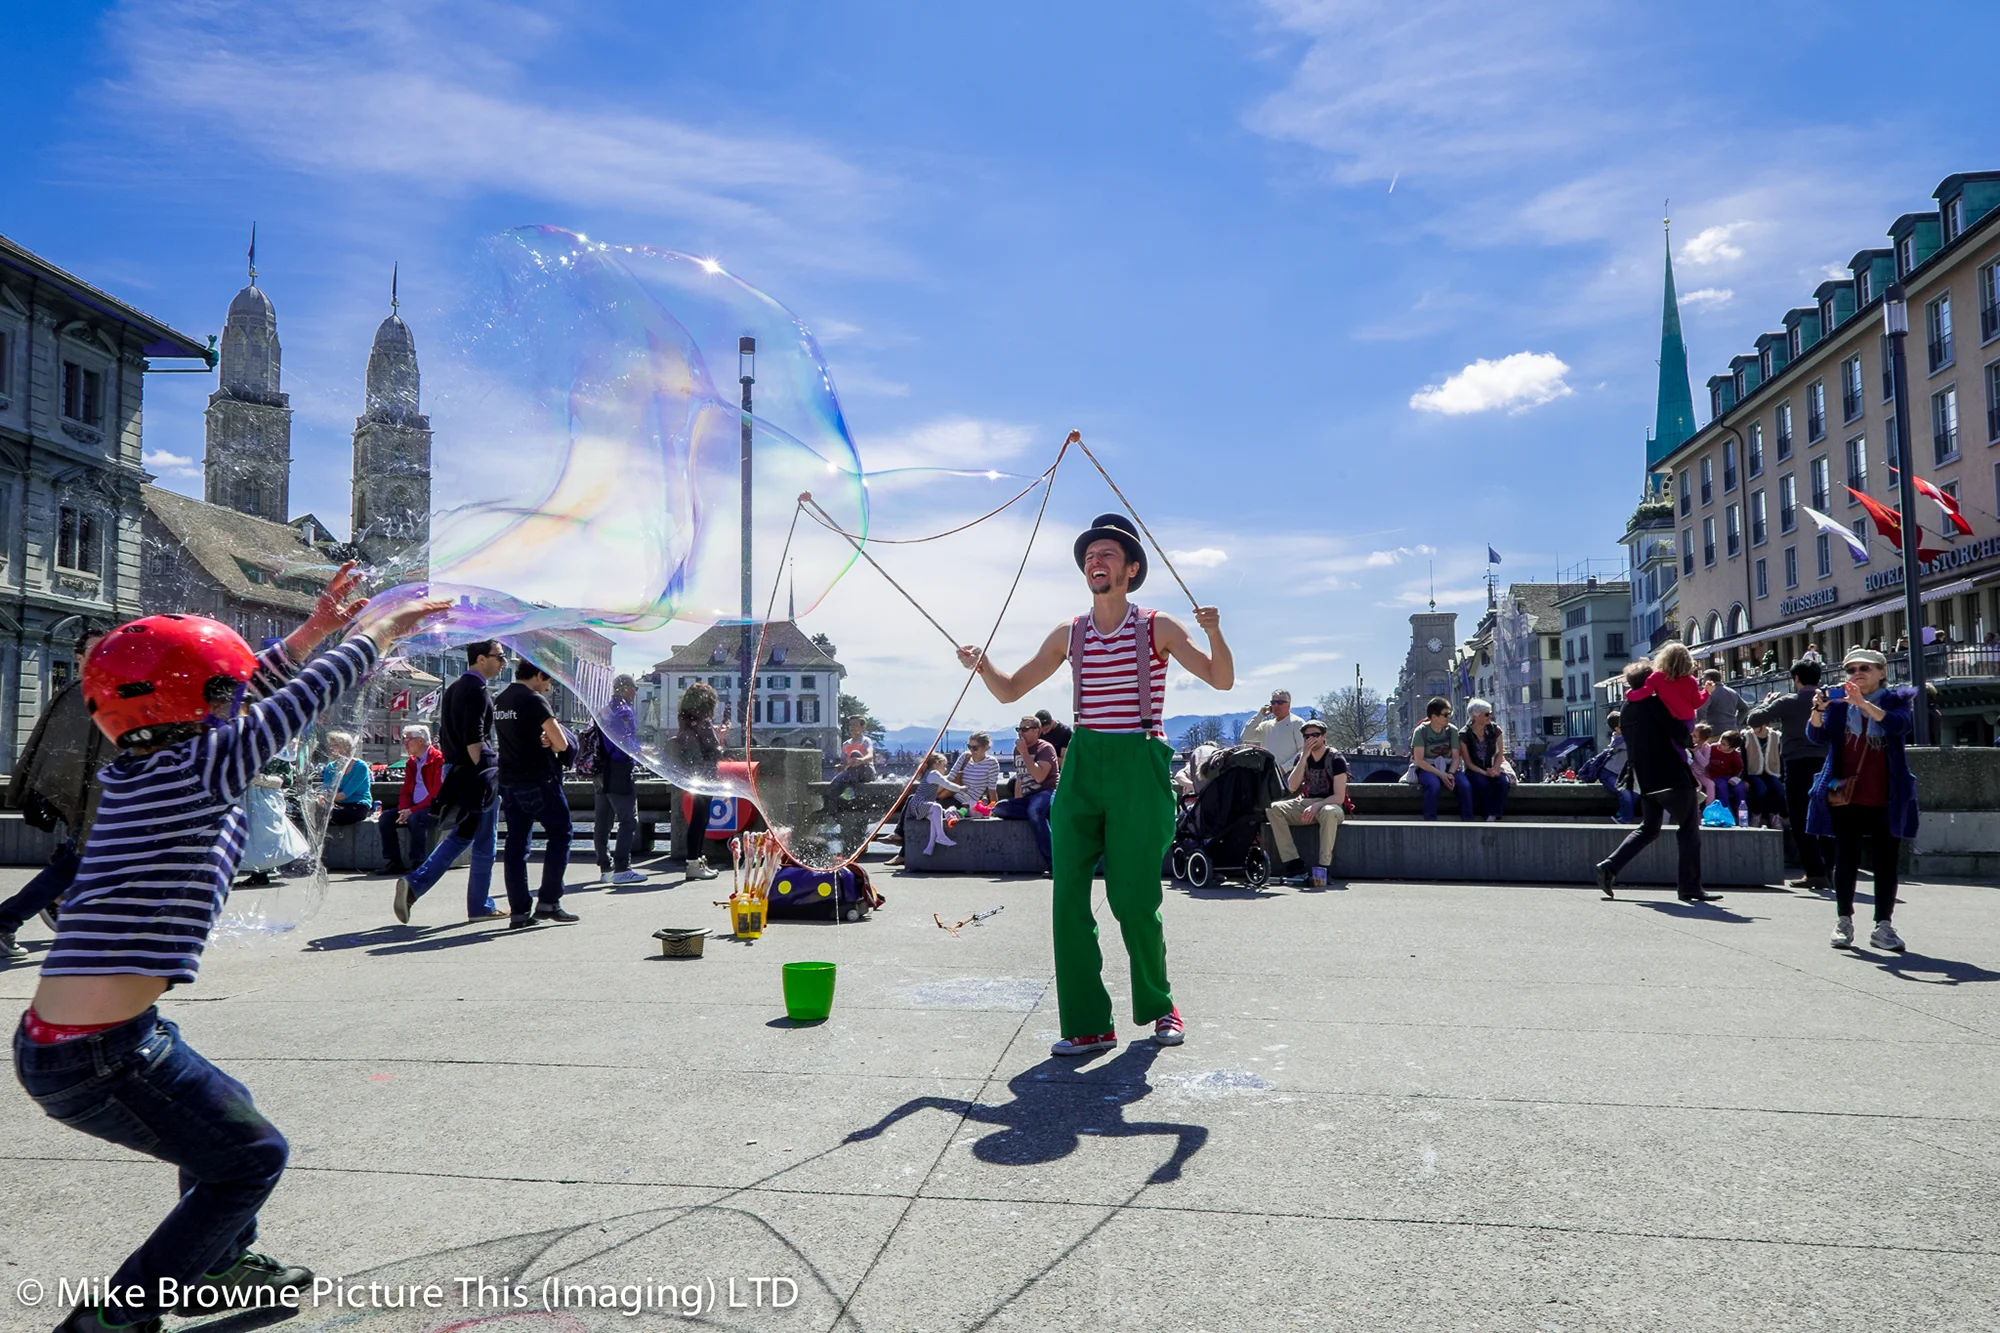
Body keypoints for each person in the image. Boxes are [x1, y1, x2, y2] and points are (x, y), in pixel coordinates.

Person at [18, 572, 445, 1333]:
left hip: (88, 1040)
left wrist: (311, 630)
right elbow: (292, 704)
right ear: (201, 710)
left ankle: (216, 1262)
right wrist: (377, 634)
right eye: (222, 699)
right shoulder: (200, 768)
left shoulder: (141, 768)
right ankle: (114, 1319)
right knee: (250, 1158)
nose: (233, 709)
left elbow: (241, 693)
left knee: (228, 1121)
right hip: (98, 1056)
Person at [956, 510, 1233, 1057]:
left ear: (1131, 569)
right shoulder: (1071, 632)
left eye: (1106, 554)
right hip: (1083, 761)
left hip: (1138, 760)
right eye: (1088, 556)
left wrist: (1214, 631)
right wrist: (984, 665)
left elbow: (1221, 680)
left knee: (1134, 899)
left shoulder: (1156, 625)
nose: (1094, 562)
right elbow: (1011, 691)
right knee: (1067, 900)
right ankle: (1088, 1023)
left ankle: (1160, 1005)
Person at [0, 625, 109, 963]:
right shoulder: (79, 693)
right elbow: (63, 756)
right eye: (94, 650)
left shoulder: (108, 690)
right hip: (90, 802)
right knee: (72, 864)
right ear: (79, 657)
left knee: (72, 862)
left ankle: (63, 904)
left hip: (99, 801)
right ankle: (9, 918)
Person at [1806, 648, 1919, 952]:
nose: (1856, 673)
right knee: (1845, 858)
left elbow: (1898, 726)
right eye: (1851, 669)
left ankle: (1883, 925)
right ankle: (1844, 920)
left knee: (1886, 862)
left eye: (1864, 668)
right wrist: (1818, 710)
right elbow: (1817, 738)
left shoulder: (1897, 699)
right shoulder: (1841, 707)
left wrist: (1863, 704)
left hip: (1888, 794)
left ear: (1882, 672)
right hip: (1846, 793)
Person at [394, 640, 509, 924]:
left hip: (454, 769)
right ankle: (477, 905)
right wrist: (489, 774)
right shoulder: (478, 690)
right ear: (481, 659)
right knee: (484, 841)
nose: (504, 662)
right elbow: (474, 739)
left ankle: (416, 886)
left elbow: (449, 734)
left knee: (464, 835)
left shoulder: (455, 687)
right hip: (474, 773)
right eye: (500, 657)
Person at [1593, 657, 1722, 903]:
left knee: (1650, 828)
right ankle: (1690, 887)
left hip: (1644, 777)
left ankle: (1610, 866)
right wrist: (1688, 738)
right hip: (1670, 774)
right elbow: (1678, 732)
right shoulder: (1655, 704)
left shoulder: (1627, 707)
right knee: (1689, 830)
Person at [493, 659, 577, 928]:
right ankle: (549, 901)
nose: (550, 685)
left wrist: (542, 736)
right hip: (538, 779)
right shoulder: (533, 699)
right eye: (549, 679)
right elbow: (562, 744)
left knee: (516, 845)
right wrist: (551, 738)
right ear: (538, 675)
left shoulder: (501, 699)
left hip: (508, 780)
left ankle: (518, 911)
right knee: (561, 834)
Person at [1747, 660, 1834, 889]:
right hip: (1827, 762)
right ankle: (1832, 869)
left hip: (1797, 764)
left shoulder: (1788, 702)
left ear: (1796, 679)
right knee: (1826, 814)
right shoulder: (1830, 699)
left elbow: (1753, 720)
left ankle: (1815, 872)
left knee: (1799, 817)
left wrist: (1766, 704)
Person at [1266, 717, 1346, 886]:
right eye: (1306, 736)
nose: (1310, 739)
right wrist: (1303, 758)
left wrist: (1317, 805)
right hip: (1306, 802)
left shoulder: (1336, 759)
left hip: (1330, 805)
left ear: (1323, 737)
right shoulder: (1302, 758)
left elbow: (1339, 796)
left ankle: (1324, 867)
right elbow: (1292, 786)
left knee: (1329, 812)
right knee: (1273, 808)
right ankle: (1293, 862)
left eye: (1314, 735)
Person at [593, 674, 649, 886]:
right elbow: (624, 743)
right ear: (625, 688)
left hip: (600, 772)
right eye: (634, 688)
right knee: (628, 820)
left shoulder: (603, 710)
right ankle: (622, 868)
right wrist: (640, 752)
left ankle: (604, 868)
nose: (635, 692)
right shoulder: (624, 710)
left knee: (602, 821)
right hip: (618, 770)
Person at [992, 714, 1060, 869]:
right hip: (1028, 797)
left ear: (1037, 731)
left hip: (1047, 792)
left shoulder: (1045, 749)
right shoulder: (1017, 750)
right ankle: (1042, 815)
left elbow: (1039, 776)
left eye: (1025, 729)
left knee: (1035, 810)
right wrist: (1017, 800)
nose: (1021, 733)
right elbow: (1020, 778)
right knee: (999, 808)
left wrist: (1025, 754)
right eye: (1019, 729)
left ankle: (1054, 863)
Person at [674, 682, 726, 880]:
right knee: (700, 819)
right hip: (705, 774)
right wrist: (720, 739)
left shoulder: (687, 719)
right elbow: (714, 750)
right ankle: (694, 863)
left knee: (698, 818)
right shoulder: (702, 722)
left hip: (693, 773)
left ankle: (695, 861)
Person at [379, 724, 442, 875]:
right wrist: (403, 809)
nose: (405, 743)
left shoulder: (438, 759)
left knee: (416, 819)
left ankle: (418, 862)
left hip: (435, 806)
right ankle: (394, 861)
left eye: (409, 740)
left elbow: (436, 793)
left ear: (421, 741)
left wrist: (411, 811)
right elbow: (406, 790)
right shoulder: (412, 762)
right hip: (414, 806)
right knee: (386, 818)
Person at [1623, 642, 1706, 722]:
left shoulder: (1656, 677)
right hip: (1688, 721)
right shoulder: (1690, 680)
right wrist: (1706, 692)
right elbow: (1696, 703)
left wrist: (1628, 693)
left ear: (1663, 659)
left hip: (1669, 721)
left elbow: (1643, 693)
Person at [1455, 700, 1509, 822]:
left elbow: (1500, 753)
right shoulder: (1464, 734)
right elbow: (1468, 762)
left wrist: (1495, 769)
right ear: (1475, 716)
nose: (1490, 717)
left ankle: (1495, 814)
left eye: (1490, 713)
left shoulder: (1495, 730)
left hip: (1492, 767)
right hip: (1474, 770)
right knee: (1482, 783)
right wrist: (1485, 773)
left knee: (1503, 782)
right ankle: (1487, 814)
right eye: (1486, 714)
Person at [1409, 697, 1458, 820]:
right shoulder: (1421, 731)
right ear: (1434, 716)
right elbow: (1419, 760)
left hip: (1448, 766)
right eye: (1446, 714)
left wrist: (1450, 773)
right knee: (1433, 785)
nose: (1449, 717)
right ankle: (1430, 821)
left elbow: (1456, 757)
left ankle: (1468, 820)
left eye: (1449, 714)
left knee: (1465, 785)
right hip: (1426, 767)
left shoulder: (1452, 730)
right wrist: (1441, 774)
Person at [316, 731, 375, 827]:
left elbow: (344, 794)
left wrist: (326, 798)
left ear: (346, 747)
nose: (331, 748)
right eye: (330, 745)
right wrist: (321, 796)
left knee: (330, 816)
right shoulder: (330, 767)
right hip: (336, 804)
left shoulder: (360, 767)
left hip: (357, 805)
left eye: (335, 745)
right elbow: (326, 788)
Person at [1241, 690, 1305, 774]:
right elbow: (1245, 736)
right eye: (1273, 702)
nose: (1276, 705)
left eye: (1280, 702)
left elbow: (1303, 751)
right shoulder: (1266, 726)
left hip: (1290, 775)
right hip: (1268, 774)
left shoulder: (1297, 723)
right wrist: (1260, 715)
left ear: (1288, 705)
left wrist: (1284, 769)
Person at [1593, 711, 1638, 824]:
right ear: (1617, 729)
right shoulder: (1619, 740)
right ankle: (1626, 820)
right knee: (1624, 793)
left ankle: (1619, 814)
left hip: (1623, 775)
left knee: (1637, 794)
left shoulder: (1629, 737)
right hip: (1609, 773)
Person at [1741, 723, 1783, 829]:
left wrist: (1782, 776)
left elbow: (1781, 757)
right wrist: (1744, 778)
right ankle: (1756, 815)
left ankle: (1774, 815)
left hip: (1771, 770)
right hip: (1753, 772)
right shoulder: (1747, 736)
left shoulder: (1775, 736)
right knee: (1761, 789)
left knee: (1779, 788)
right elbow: (1743, 759)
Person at [944, 731, 1002, 808]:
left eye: (975, 748)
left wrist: (994, 808)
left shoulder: (991, 763)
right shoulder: (965, 756)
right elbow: (950, 777)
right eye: (969, 747)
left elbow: (992, 789)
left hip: (966, 803)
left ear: (985, 747)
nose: (971, 750)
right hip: (950, 795)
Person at [826, 715, 875, 803]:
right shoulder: (846, 744)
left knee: (854, 753)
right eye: (850, 725)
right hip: (851, 773)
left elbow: (870, 756)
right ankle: (831, 806)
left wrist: (862, 760)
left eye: (855, 725)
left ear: (862, 727)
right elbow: (844, 763)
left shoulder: (866, 741)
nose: (852, 727)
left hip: (866, 772)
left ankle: (851, 789)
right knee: (835, 781)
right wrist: (840, 766)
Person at [1708, 730, 1748, 823]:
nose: (1719, 744)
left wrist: (1735, 778)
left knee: (1739, 788)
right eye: (1720, 741)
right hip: (1715, 776)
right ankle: (1727, 813)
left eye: (1723, 744)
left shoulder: (1734, 756)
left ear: (1731, 748)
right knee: (1722, 787)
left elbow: (1740, 768)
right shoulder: (1712, 748)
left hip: (1729, 776)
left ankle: (1741, 814)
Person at [1696, 668, 1749, 732]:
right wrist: (1737, 722)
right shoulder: (1732, 692)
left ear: (1708, 679)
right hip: (1732, 732)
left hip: (1715, 732)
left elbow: (1700, 710)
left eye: (1703, 679)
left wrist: (1703, 728)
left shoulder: (1709, 693)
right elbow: (1745, 708)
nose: (1702, 682)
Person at [1689, 722, 1718, 804]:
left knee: (1711, 784)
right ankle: (1695, 811)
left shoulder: (1706, 747)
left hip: (1699, 774)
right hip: (1689, 773)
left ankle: (1709, 809)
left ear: (1702, 739)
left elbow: (1704, 763)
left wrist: (1696, 751)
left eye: (1695, 736)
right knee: (1698, 786)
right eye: (1691, 734)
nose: (1691, 737)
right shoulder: (1686, 744)